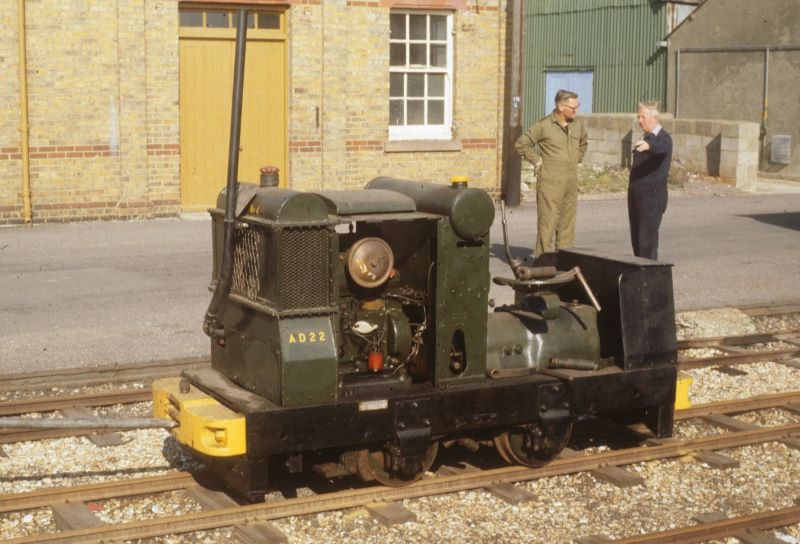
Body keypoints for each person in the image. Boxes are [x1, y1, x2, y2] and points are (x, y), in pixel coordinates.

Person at [515, 90, 588, 263]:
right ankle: (543, 263)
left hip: (570, 183)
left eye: (578, 106)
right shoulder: (544, 126)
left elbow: (584, 143)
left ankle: (563, 262)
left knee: (567, 226)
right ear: (561, 106)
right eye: (574, 107)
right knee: (547, 225)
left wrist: (576, 159)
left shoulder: (577, 126)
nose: (577, 110)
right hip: (550, 183)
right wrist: (537, 161)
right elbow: (522, 144)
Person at [628, 101, 672, 260]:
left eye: (643, 117)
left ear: (655, 117)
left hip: (651, 198)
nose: (639, 121)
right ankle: (640, 275)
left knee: (647, 243)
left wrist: (649, 145)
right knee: (637, 241)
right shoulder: (645, 136)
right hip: (636, 197)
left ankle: (649, 277)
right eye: (638, 117)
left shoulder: (663, 138)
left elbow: (661, 147)